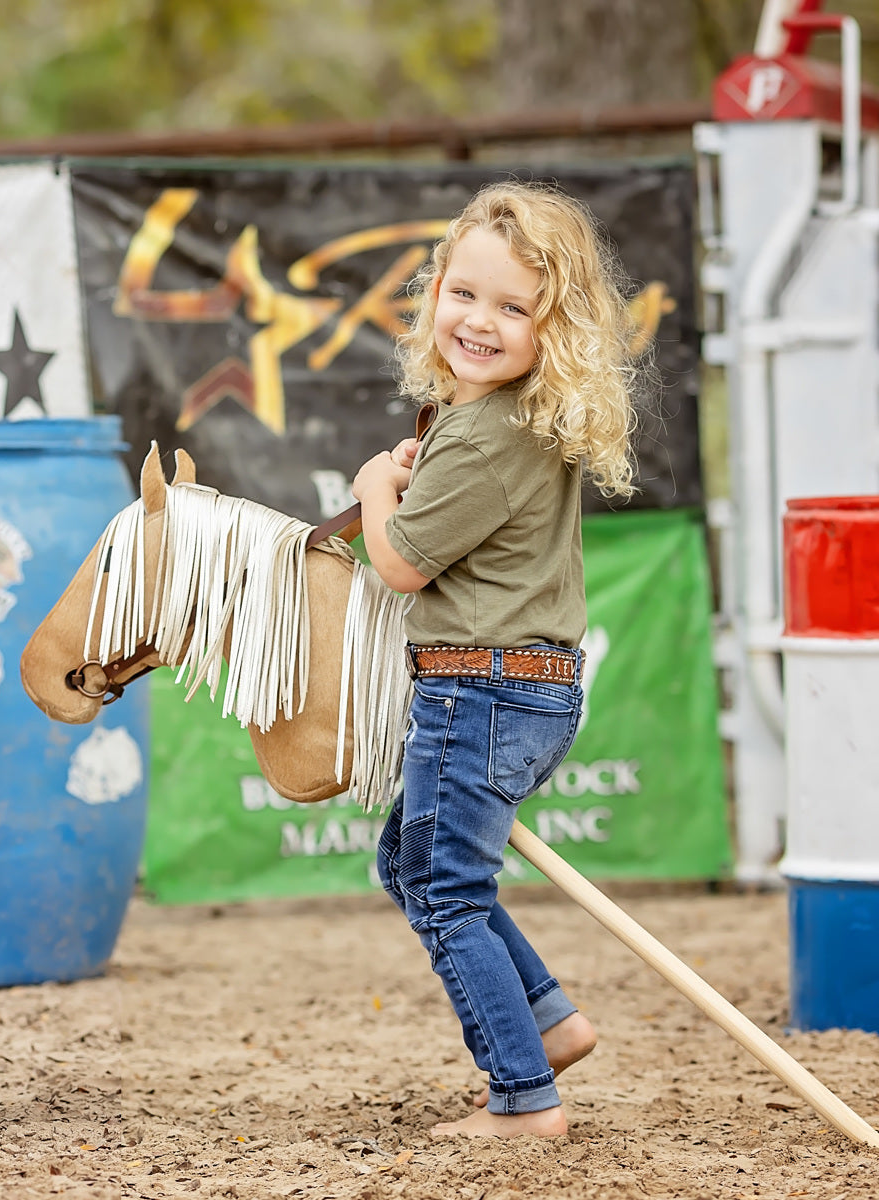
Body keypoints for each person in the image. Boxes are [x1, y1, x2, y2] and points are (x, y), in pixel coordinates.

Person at [351, 180, 640, 1139]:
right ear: (434, 291)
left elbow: (395, 562)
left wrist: (371, 488)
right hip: (523, 689)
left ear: (551, 330)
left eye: (514, 308)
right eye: (464, 293)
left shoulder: (481, 437)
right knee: (412, 861)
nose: (480, 321)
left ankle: (524, 1097)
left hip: (478, 688)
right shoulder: (508, 422)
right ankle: (547, 1020)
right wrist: (414, 472)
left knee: (446, 890)